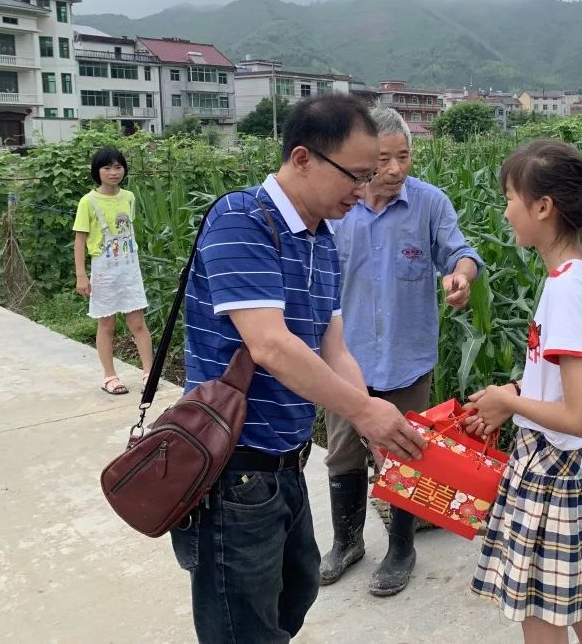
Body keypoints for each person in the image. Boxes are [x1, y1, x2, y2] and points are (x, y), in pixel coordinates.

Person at [169, 96, 426, 644]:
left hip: (285, 466)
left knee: (295, 595)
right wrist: (365, 411)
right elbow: (271, 346)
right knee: (243, 628)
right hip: (233, 467)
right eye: (356, 175)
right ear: (304, 158)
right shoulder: (241, 221)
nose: (362, 192)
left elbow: (336, 350)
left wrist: (374, 429)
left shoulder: (322, 241)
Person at [463, 139, 582, 644]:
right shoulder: (575, 278)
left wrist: (510, 404)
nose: (506, 210)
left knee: (541, 616)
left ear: (542, 207)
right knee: (579, 607)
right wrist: (511, 393)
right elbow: (560, 383)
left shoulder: (566, 289)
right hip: (566, 467)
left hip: (558, 474)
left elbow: (580, 415)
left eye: (511, 197)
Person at [322, 106, 484, 596]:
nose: (394, 170)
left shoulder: (429, 204)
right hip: (345, 364)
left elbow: (462, 252)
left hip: (407, 359)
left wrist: (461, 277)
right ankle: (346, 541)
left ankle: (401, 549)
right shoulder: (338, 209)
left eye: (404, 157)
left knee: (409, 457)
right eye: (384, 159)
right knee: (342, 454)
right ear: (365, 158)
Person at [73, 147, 152, 395]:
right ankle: (109, 376)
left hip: (129, 267)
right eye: (107, 167)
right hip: (103, 269)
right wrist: (81, 275)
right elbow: (80, 240)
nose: (113, 172)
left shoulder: (129, 197)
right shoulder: (88, 201)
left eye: (118, 167)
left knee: (138, 322)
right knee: (106, 324)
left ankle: (149, 372)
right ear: (97, 171)